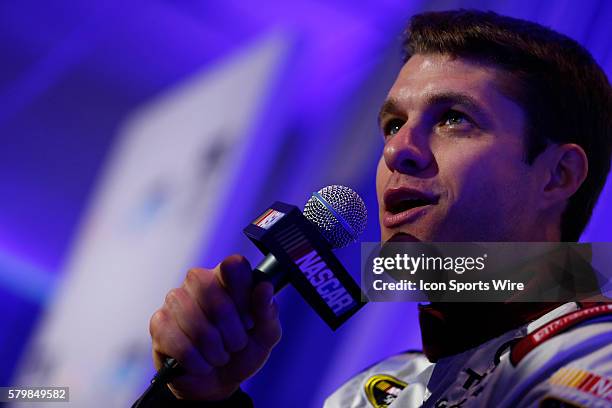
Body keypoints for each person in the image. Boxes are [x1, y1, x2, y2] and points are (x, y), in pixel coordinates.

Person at [137, 9, 612, 407]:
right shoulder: (372, 391)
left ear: (559, 175)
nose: (397, 151)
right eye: (392, 124)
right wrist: (203, 398)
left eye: (453, 118)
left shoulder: (594, 356)